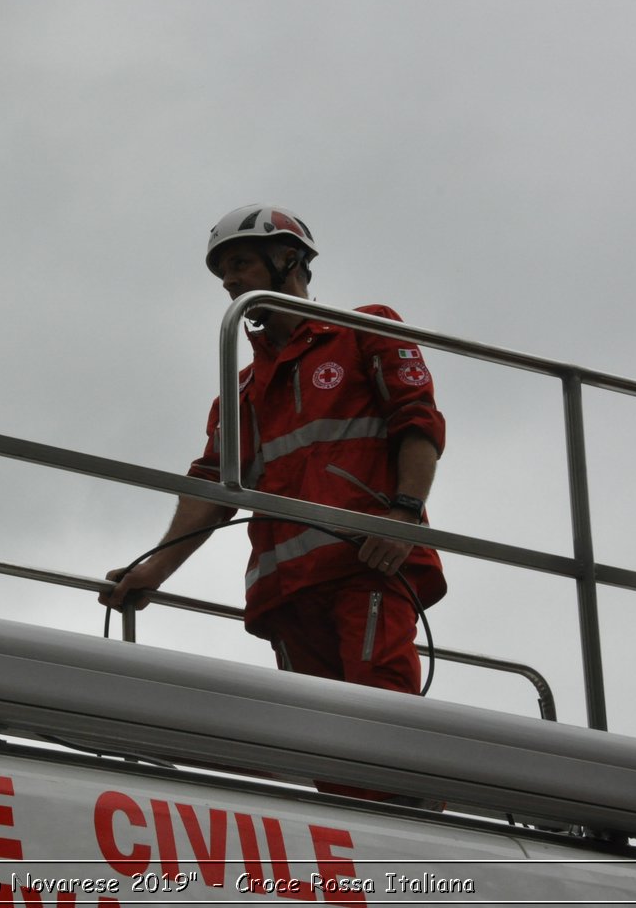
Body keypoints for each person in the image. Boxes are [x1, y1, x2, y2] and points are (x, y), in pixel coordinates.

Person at [102, 205, 446, 786]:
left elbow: (418, 423)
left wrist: (403, 517)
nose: (230, 281)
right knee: (322, 750)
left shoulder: (365, 330)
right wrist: (153, 571)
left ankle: (412, 842)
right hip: (286, 592)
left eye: (239, 263)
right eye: (222, 274)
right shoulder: (240, 390)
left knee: (383, 728)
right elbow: (212, 485)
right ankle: (353, 855)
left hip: (365, 564)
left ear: (288, 258)